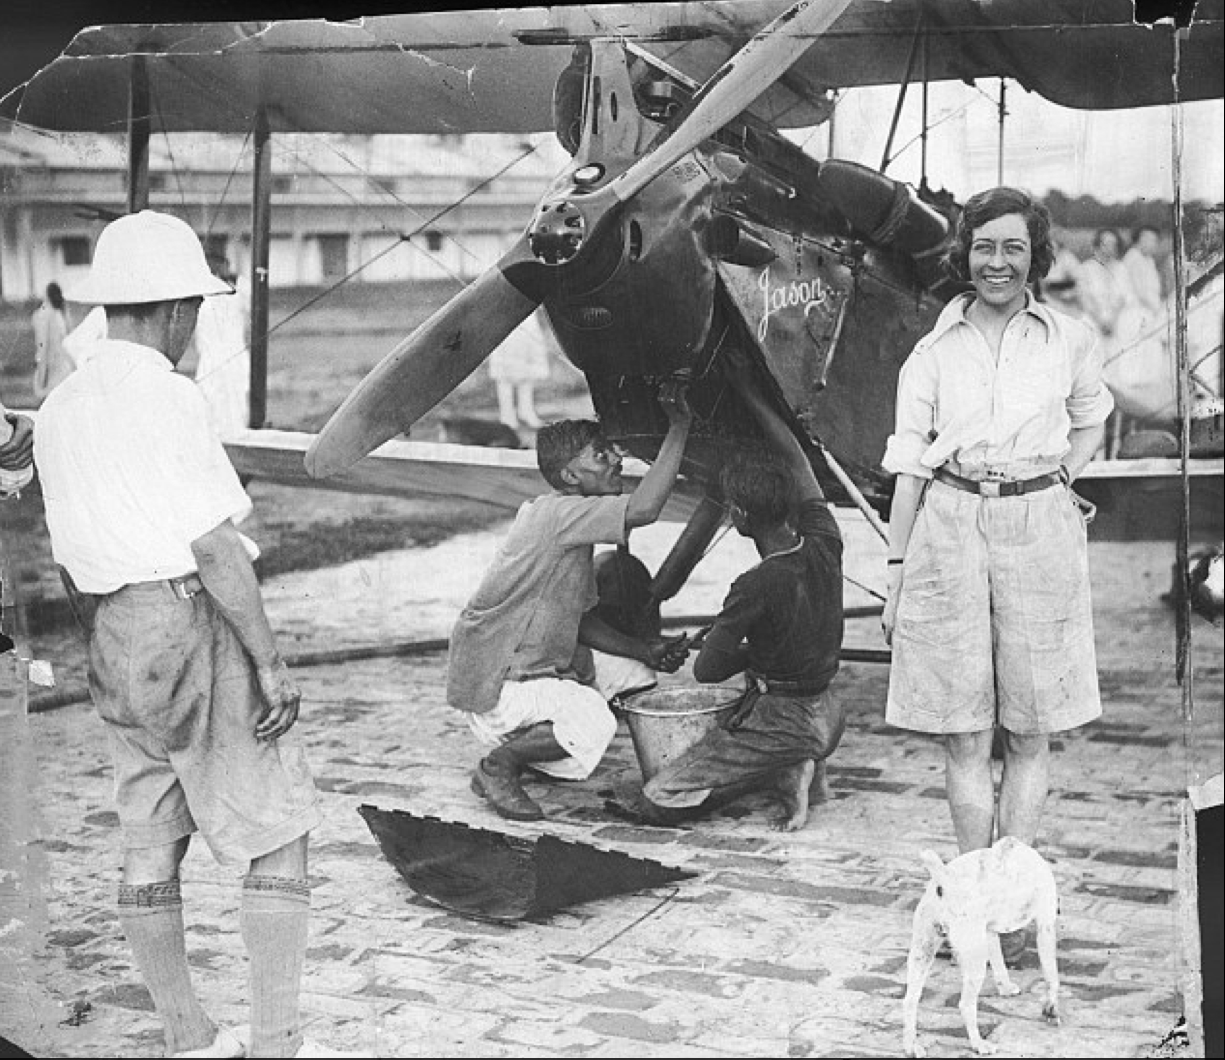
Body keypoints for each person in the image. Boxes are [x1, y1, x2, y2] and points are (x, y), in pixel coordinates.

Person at [33, 211, 355, 1059]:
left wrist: (109, 640)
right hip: (185, 619)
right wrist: (270, 664)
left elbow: (66, 558)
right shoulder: (170, 396)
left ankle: (187, 1037)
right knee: (279, 826)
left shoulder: (59, 406)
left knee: (150, 836)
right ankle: (277, 1045)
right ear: (177, 310)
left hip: (109, 630)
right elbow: (215, 548)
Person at [880, 187, 1113, 959]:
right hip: (948, 526)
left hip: (1038, 529)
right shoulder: (932, 349)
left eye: (1013, 248)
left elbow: (1090, 416)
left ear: (1033, 256)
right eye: (984, 246)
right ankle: (971, 905)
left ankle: (1011, 908)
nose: (997, 263)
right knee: (964, 734)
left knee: (1031, 728)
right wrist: (896, 566)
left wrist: (1057, 485)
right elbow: (908, 467)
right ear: (963, 252)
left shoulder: (1068, 338)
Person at [447, 382, 694, 822]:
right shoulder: (556, 514)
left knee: (636, 674)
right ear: (570, 477)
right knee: (595, 718)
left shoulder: (568, 523)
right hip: (500, 690)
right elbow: (643, 510)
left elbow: (581, 622)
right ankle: (501, 765)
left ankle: (545, 753)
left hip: (521, 682)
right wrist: (680, 427)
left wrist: (645, 648)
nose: (616, 459)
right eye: (601, 455)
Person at [630, 371, 846, 833]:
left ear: (741, 517)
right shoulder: (825, 539)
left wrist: (733, 643)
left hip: (790, 722)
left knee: (658, 797)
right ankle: (805, 766)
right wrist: (753, 386)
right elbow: (796, 458)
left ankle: (783, 768)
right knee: (777, 662)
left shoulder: (752, 585)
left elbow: (708, 672)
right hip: (830, 708)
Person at [192, 257, 252, 436]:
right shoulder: (202, 298)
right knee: (210, 403)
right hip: (210, 359)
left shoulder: (238, 293)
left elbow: (249, 302)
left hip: (234, 357)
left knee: (237, 405)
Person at [488, 309, 551, 431]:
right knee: (504, 371)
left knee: (527, 366)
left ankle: (526, 410)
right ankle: (507, 415)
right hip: (503, 317)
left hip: (526, 317)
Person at [31, 281, 77, 400]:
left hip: (53, 370)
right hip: (66, 369)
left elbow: (43, 346)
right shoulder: (61, 314)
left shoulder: (43, 315)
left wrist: (41, 377)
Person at [1122, 224, 1165, 314]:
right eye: (1152, 240)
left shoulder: (1148, 259)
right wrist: (1158, 311)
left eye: (1156, 241)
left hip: (1152, 308)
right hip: (1138, 312)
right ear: (1140, 240)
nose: (1155, 245)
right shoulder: (1133, 259)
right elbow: (1141, 294)